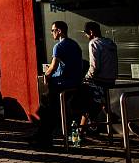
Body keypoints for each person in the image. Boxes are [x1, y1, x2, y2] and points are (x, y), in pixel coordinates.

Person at [30, 20, 82, 148]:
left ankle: (44, 139)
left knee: (46, 111)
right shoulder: (75, 44)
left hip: (60, 84)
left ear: (59, 31)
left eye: (53, 30)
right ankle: (75, 139)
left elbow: (53, 67)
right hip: (74, 84)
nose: (52, 33)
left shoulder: (58, 47)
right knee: (71, 114)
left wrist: (45, 76)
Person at [79, 22, 118, 133]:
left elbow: (95, 66)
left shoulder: (94, 43)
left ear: (91, 32)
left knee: (86, 102)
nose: (86, 36)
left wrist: (86, 77)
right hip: (110, 79)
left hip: (99, 80)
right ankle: (109, 115)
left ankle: (81, 131)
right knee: (100, 99)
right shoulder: (110, 42)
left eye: (86, 33)